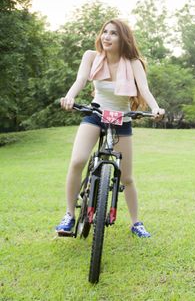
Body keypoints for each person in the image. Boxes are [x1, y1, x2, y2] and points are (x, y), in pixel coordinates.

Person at [55, 19, 165, 238]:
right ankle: (69, 214)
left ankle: (136, 223)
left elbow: (143, 88)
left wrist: (155, 108)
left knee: (127, 178)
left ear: (122, 38)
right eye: (104, 32)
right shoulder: (91, 56)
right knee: (77, 161)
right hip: (96, 114)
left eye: (113, 33)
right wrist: (69, 97)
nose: (106, 37)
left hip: (121, 117)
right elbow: (80, 80)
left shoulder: (133, 62)